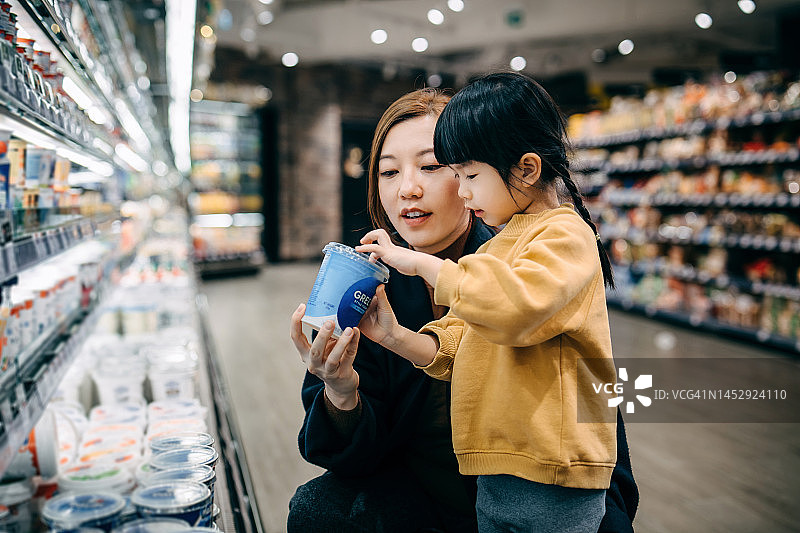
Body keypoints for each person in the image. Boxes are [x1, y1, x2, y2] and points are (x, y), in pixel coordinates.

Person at [289, 86, 638, 532]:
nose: (408, 189)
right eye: (388, 172)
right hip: (431, 499)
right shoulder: (370, 287)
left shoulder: (525, 257)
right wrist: (341, 391)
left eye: (434, 167)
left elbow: (595, 407)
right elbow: (344, 455)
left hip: (543, 486)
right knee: (317, 508)